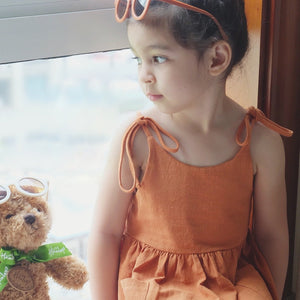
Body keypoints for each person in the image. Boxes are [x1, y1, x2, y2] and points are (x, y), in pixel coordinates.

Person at [88, 0, 293, 299]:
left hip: (230, 284)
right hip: (153, 287)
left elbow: (272, 237)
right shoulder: (137, 137)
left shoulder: (261, 142)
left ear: (216, 59)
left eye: (157, 58)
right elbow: (105, 233)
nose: (143, 75)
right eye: (137, 59)